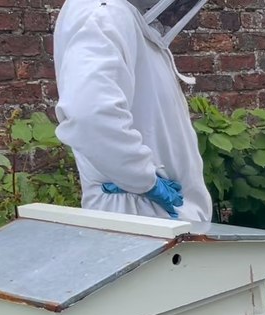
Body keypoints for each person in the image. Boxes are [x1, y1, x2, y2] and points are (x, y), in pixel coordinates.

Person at [52, 0, 213, 222]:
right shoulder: (104, 15)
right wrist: (144, 179)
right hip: (139, 213)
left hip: (150, 215)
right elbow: (89, 114)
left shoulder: (120, 19)